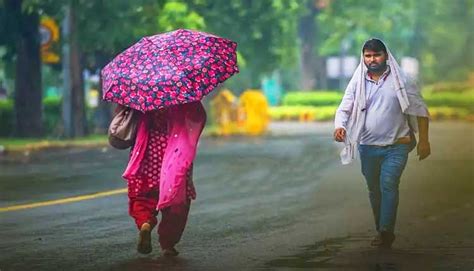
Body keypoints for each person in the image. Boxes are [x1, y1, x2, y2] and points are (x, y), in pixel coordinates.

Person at [333, 38, 431, 248]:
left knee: (388, 184)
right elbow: (344, 107)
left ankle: (386, 231)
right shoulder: (357, 81)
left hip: (397, 145)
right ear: (364, 57)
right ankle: (381, 230)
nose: (372, 59)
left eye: (377, 55)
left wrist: (424, 141)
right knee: (374, 189)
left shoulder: (401, 80)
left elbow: (420, 110)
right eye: (368, 56)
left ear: (386, 55)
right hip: (367, 147)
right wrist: (340, 126)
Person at [121, 101, 206, 256]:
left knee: (144, 195)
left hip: (148, 150)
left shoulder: (143, 94)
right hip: (175, 152)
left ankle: (145, 223)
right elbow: (199, 117)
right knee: (175, 199)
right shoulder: (184, 95)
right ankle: (168, 243)